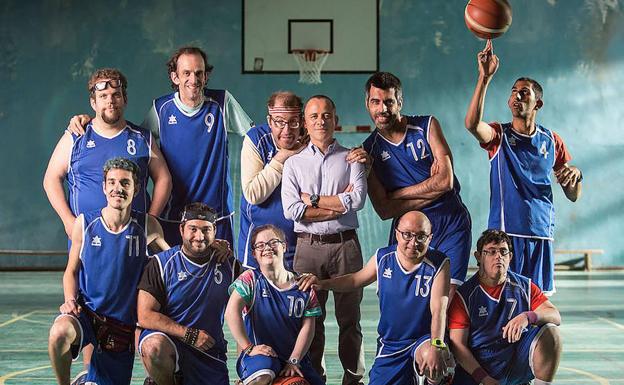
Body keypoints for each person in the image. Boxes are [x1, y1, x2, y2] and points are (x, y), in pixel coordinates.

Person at [68, 46, 253, 247]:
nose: (194, 79)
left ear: (206, 76)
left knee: (220, 275)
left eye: (199, 73)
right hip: (173, 216)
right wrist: (91, 121)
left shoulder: (222, 102)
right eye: (187, 73)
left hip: (216, 214)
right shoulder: (161, 109)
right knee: (174, 274)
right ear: (175, 77)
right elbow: (132, 142)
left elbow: (254, 137)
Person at [464, 40, 583, 294]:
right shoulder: (499, 135)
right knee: (504, 301)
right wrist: (484, 78)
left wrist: (576, 176)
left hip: (540, 234)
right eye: (513, 90)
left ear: (537, 104)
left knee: (537, 304)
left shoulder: (552, 140)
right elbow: (473, 124)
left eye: (524, 92)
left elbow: (573, 195)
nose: (517, 95)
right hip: (506, 236)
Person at [298, 211, 455, 385]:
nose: (413, 242)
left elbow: (439, 310)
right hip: (391, 343)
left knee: (432, 355)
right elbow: (355, 279)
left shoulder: (439, 263)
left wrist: (437, 344)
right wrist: (323, 283)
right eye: (407, 235)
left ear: (430, 238)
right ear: (396, 233)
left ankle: (436, 379)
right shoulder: (383, 257)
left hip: (423, 338)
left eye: (421, 236)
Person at [47, 158, 168, 385]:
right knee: (59, 332)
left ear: (137, 188)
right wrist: (70, 300)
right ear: (103, 187)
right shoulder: (84, 224)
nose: (117, 189)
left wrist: (213, 249)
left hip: (122, 325)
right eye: (111, 182)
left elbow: (175, 261)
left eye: (125, 183)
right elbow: (71, 272)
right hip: (88, 314)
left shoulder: (147, 226)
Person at [361, 72, 472, 299]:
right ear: (367, 104)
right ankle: (411, 337)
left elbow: (446, 182)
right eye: (376, 102)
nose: (382, 109)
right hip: (408, 230)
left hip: (450, 223)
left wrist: (398, 194)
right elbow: (383, 210)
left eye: (389, 102)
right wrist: (432, 187)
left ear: (399, 102)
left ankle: (438, 338)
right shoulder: (369, 150)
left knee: (444, 301)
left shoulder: (426, 126)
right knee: (405, 298)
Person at [281, 95, 367, 385]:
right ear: (305, 122)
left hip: (346, 247)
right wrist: (337, 205)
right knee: (311, 320)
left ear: (335, 119)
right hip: (307, 248)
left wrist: (314, 201)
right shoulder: (293, 164)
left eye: (326, 115)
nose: (321, 120)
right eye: (314, 116)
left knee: (349, 321)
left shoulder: (352, 157)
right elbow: (293, 211)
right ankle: (314, 378)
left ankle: (353, 378)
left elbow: (356, 201)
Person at [239, 91, 368, 270]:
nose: (286, 129)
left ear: (302, 122)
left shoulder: (313, 141)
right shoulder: (256, 139)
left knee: (301, 296)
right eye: (279, 122)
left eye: (293, 122)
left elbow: (352, 192)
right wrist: (283, 156)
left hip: (299, 240)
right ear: (270, 121)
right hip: (262, 241)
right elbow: (254, 195)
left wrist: (363, 163)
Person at [44, 68, 172, 238]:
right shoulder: (76, 137)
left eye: (116, 95)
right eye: (103, 96)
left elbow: (164, 178)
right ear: (93, 103)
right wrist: (69, 222)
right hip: (87, 239)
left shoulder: (142, 138)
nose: (110, 101)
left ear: (124, 99)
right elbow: (51, 179)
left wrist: (152, 220)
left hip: (133, 239)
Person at [136, 202, 237, 385]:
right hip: (171, 342)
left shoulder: (228, 264)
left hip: (208, 350)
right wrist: (188, 334)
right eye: (193, 229)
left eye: (206, 230)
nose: (199, 236)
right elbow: (145, 315)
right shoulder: (161, 263)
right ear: (182, 229)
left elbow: (262, 287)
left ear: (215, 231)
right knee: (154, 347)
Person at [448, 229, 562, 385]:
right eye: (491, 252)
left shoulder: (524, 286)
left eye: (503, 252)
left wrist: (528, 317)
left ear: (510, 257)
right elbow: (458, 345)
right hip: (480, 367)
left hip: (514, 361)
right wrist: (484, 378)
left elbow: (554, 315)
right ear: (479, 257)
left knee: (551, 332)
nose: (498, 256)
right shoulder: (465, 295)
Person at [225, 224, 324, 385]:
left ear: (284, 246)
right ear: (254, 254)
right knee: (263, 376)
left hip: (292, 357)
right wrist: (248, 348)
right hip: (259, 357)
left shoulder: (303, 286)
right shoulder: (250, 279)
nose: (267, 248)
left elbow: (308, 328)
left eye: (273, 242)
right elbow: (231, 312)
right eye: (260, 245)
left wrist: (294, 360)